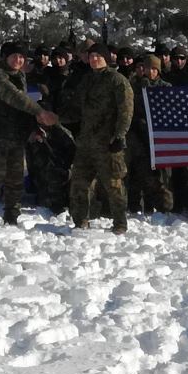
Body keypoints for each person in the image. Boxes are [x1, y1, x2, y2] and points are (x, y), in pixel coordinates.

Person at [0, 42, 58, 233]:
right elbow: (16, 98)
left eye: (22, 57)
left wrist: (34, 127)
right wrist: (40, 112)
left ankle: (11, 215)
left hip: (16, 135)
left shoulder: (19, 76)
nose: (19, 60)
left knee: (16, 179)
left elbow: (21, 109)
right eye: (14, 56)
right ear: (4, 57)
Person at [62, 42, 134, 234]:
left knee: (113, 185)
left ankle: (120, 223)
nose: (94, 60)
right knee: (79, 184)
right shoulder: (86, 80)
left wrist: (119, 135)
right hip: (86, 143)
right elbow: (76, 109)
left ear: (106, 58)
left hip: (108, 143)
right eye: (91, 56)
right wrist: (54, 117)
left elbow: (125, 111)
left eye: (98, 56)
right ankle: (80, 221)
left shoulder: (117, 80)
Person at [126, 55, 173, 215]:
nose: (151, 72)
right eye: (148, 68)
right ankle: (138, 206)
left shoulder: (166, 87)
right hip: (139, 135)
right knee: (140, 173)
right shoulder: (134, 87)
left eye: (154, 69)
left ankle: (164, 207)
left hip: (160, 137)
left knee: (162, 177)